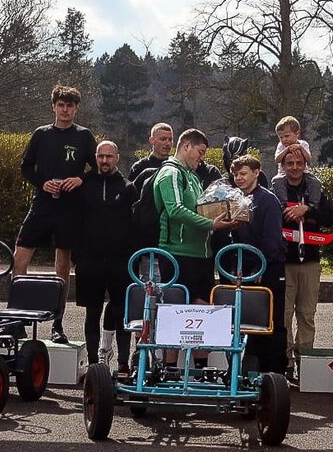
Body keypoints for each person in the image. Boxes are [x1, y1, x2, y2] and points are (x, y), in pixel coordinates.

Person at [14, 84, 97, 343]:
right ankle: (17, 318)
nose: (65, 110)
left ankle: (57, 322)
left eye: (69, 106)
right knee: (20, 257)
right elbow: (26, 168)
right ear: (53, 107)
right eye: (61, 105)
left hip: (70, 207)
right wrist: (43, 183)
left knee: (62, 264)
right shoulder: (41, 134)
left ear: (76, 109)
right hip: (42, 204)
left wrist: (80, 179)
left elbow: (96, 169)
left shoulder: (84, 136)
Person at [154, 128, 233, 369]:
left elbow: (201, 209)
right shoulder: (170, 172)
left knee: (203, 314)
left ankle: (200, 370)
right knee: (175, 313)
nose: (202, 158)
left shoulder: (193, 176)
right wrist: (211, 224)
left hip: (202, 256)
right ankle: (169, 371)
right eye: (200, 152)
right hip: (178, 254)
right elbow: (175, 209)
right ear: (186, 146)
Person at [271, 142, 333, 377]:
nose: (295, 167)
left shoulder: (316, 189)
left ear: (305, 164)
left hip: (310, 261)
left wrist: (306, 210)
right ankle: (286, 361)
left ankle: (305, 359)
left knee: (307, 314)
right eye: (290, 163)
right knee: (284, 314)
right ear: (283, 165)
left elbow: (329, 218)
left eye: (299, 163)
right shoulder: (275, 188)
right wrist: (290, 212)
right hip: (284, 261)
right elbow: (272, 217)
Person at [75, 140, 137, 376]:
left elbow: (136, 225)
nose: (104, 161)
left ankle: (122, 364)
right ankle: (94, 365)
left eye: (109, 156)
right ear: (95, 158)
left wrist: (132, 258)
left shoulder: (128, 188)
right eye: (100, 156)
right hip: (89, 261)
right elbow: (73, 221)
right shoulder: (83, 185)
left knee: (121, 313)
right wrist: (77, 256)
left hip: (120, 263)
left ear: (117, 158)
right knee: (92, 312)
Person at [229, 154, 287, 374]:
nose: (239, 178)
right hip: (244, 268)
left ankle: (275, 371)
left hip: (268, 267)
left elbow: (272, 240)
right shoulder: (236, 199)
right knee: (246, 318)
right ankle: (246, 368)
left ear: (256, 173)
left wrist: (260, 266)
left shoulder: (268, 200)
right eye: (236, 174)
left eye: (243, 174)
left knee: (271, 318)